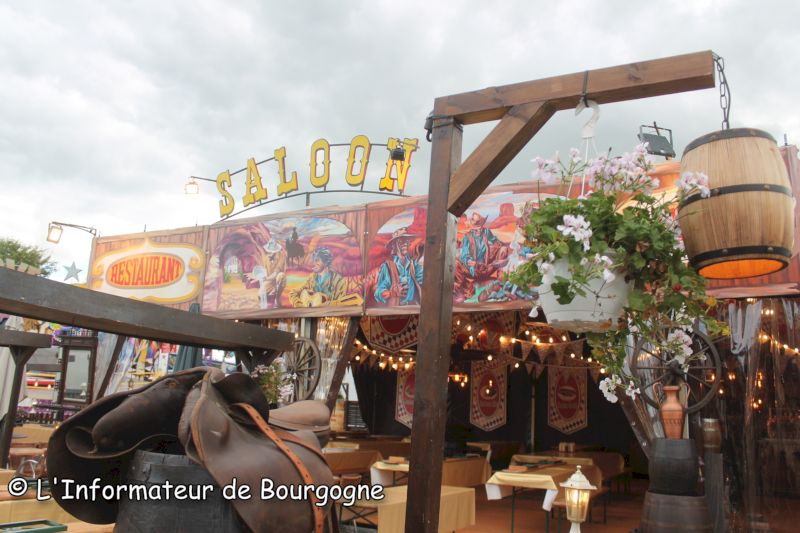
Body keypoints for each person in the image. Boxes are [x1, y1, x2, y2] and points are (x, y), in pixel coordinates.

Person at [455, 212, 509, 302]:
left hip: (485, 268)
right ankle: (461, 290)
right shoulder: (467, 237)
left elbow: (495, 241)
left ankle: (501, 280)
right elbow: (464, 255)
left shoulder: (486, 232)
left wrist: (500, 246)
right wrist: (470, 262)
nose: (479, 231)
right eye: (476, 229)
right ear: (472, 228)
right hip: (473, 270)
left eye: (480, 228)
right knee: (455, 264)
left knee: (503, 249)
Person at [374, 228, 423, 306]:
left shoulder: (413, 264)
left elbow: (423, 279)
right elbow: (378, 293)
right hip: (396, 309)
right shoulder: (388, 266)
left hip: (413, 308)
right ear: (394, 245)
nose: (405, 243)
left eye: (406, 240)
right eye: (401, 241)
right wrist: (392, 293)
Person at [249, 238, 287, 309]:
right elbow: (264, 271)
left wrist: (265, 278)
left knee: (281, 275)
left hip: (278, 279)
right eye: (270, 251)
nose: (271, 252)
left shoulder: (281, 256)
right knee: (260, 294)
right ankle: (272, 291)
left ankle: (277, 298)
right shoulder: (266, 258)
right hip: (269, 280)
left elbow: (276, 273)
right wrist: (258, 277)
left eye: (273, 251)